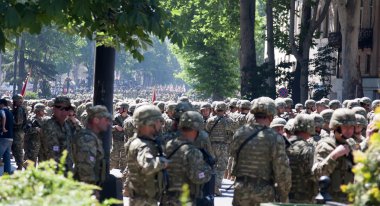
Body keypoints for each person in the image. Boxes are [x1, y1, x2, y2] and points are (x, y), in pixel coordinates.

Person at [230, 97, 291, 205]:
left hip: (241, 189)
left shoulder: (240, 133)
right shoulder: (275, 137)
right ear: (272, 116)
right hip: (263, 192)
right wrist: (284, 194)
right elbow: (281, 169)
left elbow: (233, 155)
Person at [162, 111, 213, 205]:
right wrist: (207, 171)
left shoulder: (169, 145)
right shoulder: (192, 151)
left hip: (166, 198)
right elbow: (198, 177)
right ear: (196, 129)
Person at [125, 105, 169, 206]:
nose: (161, 125)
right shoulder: (143, 146)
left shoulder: (140, 141)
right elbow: (147, 165)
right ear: (150, 123)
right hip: (144, 200)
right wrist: (164, 162)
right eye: (159, 121)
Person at [312, 108, 357, 202]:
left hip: (349, 200)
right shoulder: (325, 146)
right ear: (336, 128)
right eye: (345, 127)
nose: (349, 131)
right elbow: (317, 174)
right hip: (329, 200)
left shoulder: (352, 145)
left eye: (352, 127)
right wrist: (334, 155)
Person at [72, 105, 111, 186]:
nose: (108, 123)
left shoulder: (93, 137)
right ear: (96, 120)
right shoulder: (87, 139)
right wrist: (90, 189)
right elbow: (85, 167)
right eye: (106, 120)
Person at [286, 114, 316, 203]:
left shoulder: (282, 144)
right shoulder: (308, 148)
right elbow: (313, 174)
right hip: (303, 197)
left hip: (282, 195)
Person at [40, 96, 74, 169]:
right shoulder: (49, 125)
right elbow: (52, 154)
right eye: (60, 108)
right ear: (54, 109)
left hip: (66, 171)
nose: (64, 112)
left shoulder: (67, 125)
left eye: (67, 109)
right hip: (52, 172)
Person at [110, 102, 129, 170]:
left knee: (124, 161)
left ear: (125, 109)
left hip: (125, 142)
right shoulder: (115, 118)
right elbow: (108, 128)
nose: (119, 109)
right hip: (116, 141)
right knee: (114, 160)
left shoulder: (129, 119)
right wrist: (115, 127)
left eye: (121, 108)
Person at [12, 94, 28, 170]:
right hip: (19, 132)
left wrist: (9, 120)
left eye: (14, 101)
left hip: (18, 132)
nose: (13, 102)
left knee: (17, 150)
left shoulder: (20, 109)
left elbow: (18, 122)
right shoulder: (19, 108)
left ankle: (21, 165)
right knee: (16, 149)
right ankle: (21, 165)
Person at [0, 98, 14, 175]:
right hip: (10, 137)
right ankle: (7, 173)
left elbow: (3, 116)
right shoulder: (10, 112)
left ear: (2, 104)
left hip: (3, 137)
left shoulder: (2, 111)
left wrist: (3, 128)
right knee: (7, 157)